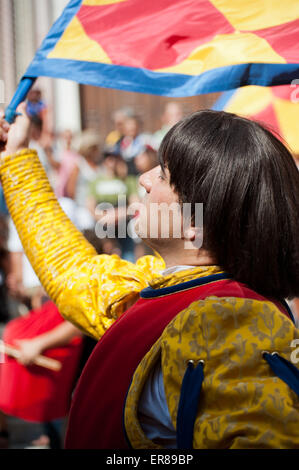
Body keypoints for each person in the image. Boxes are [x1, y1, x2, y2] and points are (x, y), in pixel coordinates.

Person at [1, 105, 299, 449]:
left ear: (194, 223)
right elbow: (78, 276)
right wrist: (17, 157)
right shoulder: (174, 289)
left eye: (163, 175)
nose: (144, 179)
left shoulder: (226, 321)